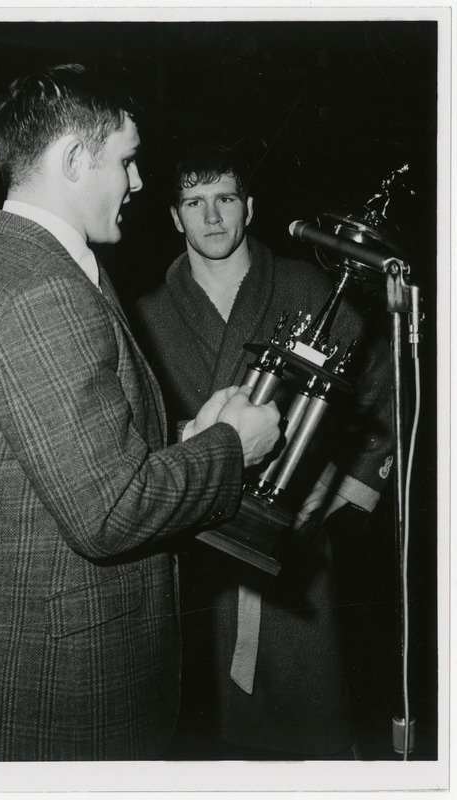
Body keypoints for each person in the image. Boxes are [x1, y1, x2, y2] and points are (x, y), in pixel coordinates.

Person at [0, 66, 281, 762]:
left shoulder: (22, 265)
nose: (136, 183)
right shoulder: (45, 291)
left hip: (48, 672)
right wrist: (228, 446)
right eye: (125, 161)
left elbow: (76, 458)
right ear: (73, 159)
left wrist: (185, 436)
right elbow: (108, 510)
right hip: (67, 694)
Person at [133, 145, 393, 758]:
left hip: (295, 546)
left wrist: (330, 495)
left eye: (225, 199)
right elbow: (139, 435)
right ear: (175, 218)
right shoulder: (146, 316)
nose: (213, 217)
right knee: (210, 742)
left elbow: (381, 391)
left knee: (313, 728)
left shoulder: (308, 287)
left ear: (249, 207)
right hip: (196, 559)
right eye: (194, 203)